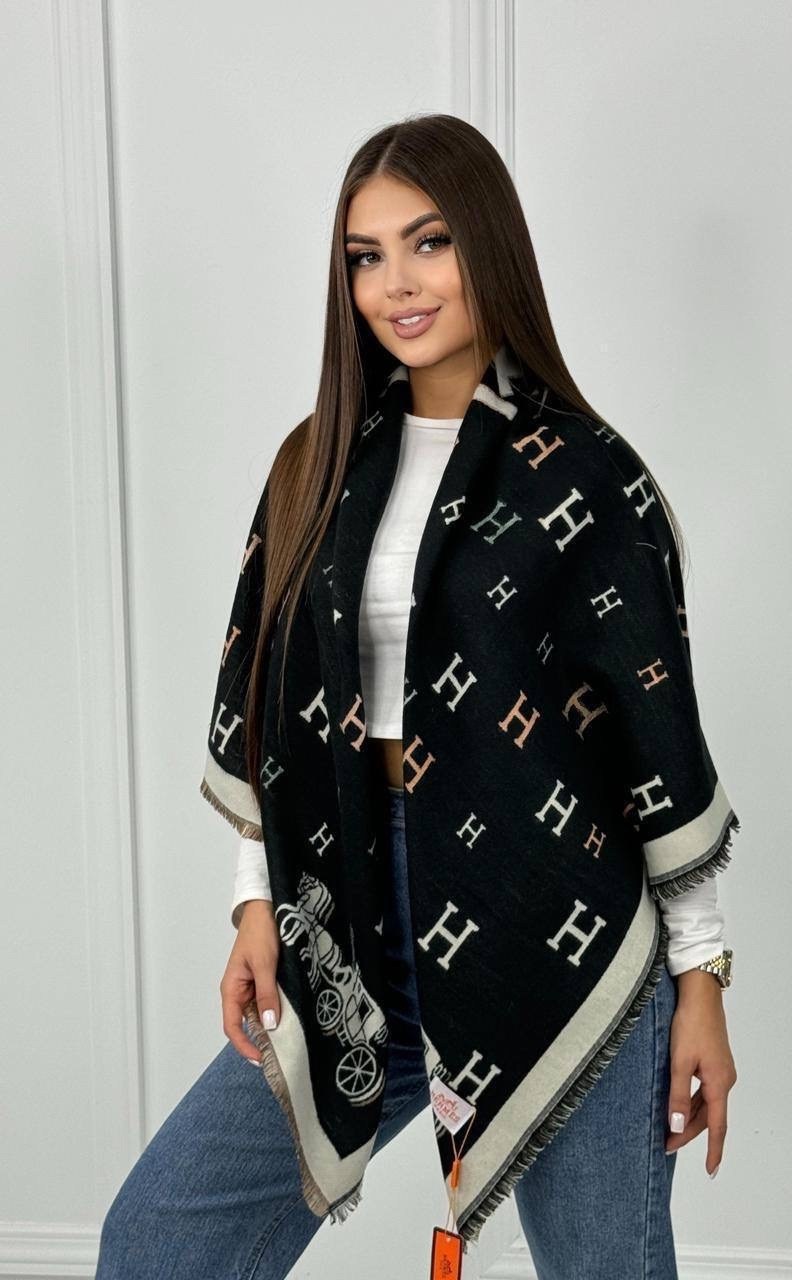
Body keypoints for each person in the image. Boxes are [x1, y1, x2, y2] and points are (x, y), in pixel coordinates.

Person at [95, 113, 738, 1279]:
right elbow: (274, 705)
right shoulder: (317, 462)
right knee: (158, 1237)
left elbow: (656, 745)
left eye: (429, 242)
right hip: (349, 912)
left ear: (488, 244)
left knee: (602, 1267)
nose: (397, 283)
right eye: (366, 255)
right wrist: (256, 901)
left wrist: (702, 981)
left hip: (555, 920)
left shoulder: (589, 474)